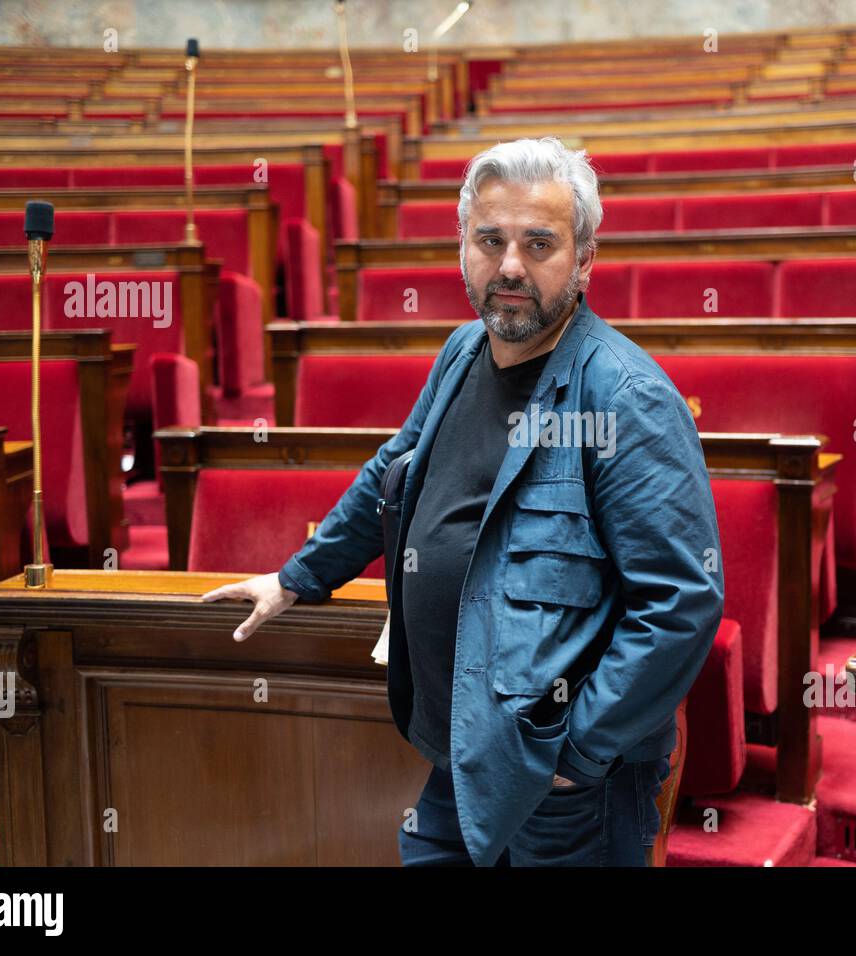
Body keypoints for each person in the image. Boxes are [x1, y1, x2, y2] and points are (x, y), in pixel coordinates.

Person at [203, 136, 724, 867]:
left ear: (584, 260)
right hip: (465, 748)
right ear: (463, 249)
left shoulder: (627, 399)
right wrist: (297, 577)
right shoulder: (462, 352)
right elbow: (393, 470)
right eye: (491, 240)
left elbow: (679, 603)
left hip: (563, 785)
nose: (510, 266)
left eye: (538, 243)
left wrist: (576, 749)